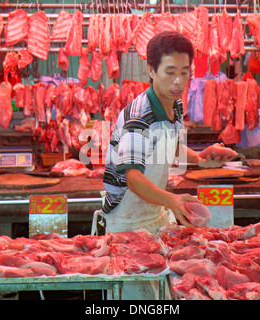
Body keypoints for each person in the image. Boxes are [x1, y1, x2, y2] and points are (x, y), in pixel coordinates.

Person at [93, 31, 233, 300]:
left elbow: (168, 146)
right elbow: (133, 177)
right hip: (126, 221)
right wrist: (172, 200)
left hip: (154, 214)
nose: (178, 81)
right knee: (135, 299)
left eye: (184, 71)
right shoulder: (138, 116)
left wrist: (201, 156)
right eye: (170, 72)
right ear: (151, 70)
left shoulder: (174, 106)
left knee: (160, 296)